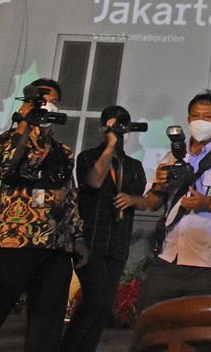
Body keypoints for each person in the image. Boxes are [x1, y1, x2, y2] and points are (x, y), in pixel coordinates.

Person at [0, 79, 88, 352]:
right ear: (27, 103)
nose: (46, 104)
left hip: (56, 244)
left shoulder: (63, 151)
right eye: (40, 99)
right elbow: (2, 169)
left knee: (47, 319)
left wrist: (78, 237)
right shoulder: (10, 140)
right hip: (16, 240)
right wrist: (25, 125)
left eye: (52, 99)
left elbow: (69, 195)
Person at [135, 92, 211, 314]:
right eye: (196, 116)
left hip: (209, 265)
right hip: (169, 258)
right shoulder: (172, 157)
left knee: (199, 333)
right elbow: (150, 203)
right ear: (188, 120)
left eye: (207, 117)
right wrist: (160, 186)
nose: (200, 121)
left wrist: (207, 203)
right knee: (150, 323)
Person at [61, 105, 148, 352]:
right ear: (102, 128)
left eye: (123, 125)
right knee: (95, 298)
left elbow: (144, 200)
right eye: (113, 124)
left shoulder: (134, 166)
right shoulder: (88, 157)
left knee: (104, 303)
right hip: (91, 240)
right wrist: (109, 147)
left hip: (118, 241)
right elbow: (93, 182)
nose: (119, 130)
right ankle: (69, 347)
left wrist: (132, 200)